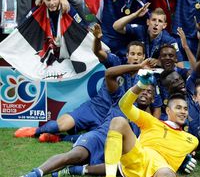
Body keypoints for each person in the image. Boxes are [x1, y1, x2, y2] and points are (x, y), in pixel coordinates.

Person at [13, 60, 156, 177]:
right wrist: (139, 66)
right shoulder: (121, 99)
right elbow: (109, 74)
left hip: (116, 153)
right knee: (75, 156)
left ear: (154, 100)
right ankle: (32, 175)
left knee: (119, 167)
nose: (145, 93)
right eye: (143, 89)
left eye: (149, 92)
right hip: (98, 138)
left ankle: (72, 170)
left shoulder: (149, 122)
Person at [14, 40, 149, 141]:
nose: (136, 57)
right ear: (127, 55)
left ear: (143, 57)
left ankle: (59, 138)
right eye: (132, 54)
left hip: (113, 118)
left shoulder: (146, 78)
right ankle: (36, 131)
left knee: (96, 139)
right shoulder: (116, 63)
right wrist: (96, 38)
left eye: (139, 55)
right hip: (95, 108)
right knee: (59, 125)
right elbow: (98, 52)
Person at [103, 74, 199, 177]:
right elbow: (124, 106)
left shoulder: (192, 140)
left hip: (161, 169)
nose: (183, 111)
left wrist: (184, 160)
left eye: (185, 109)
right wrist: (140, 85)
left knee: (165, 173)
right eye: (178, 108)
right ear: (168, 111)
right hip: (137, 157)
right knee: (118, 121)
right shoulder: (152, 122)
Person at [113, 5, 184, 61]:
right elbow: (116, 26)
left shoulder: (169, 41)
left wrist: (159, 62)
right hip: (137, 68)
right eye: (153, 20)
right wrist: (135, 15)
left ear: (164, 25)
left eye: (160, 21)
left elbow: (180, 65)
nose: (156, 23)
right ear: (148, 22)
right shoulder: (140, 30)